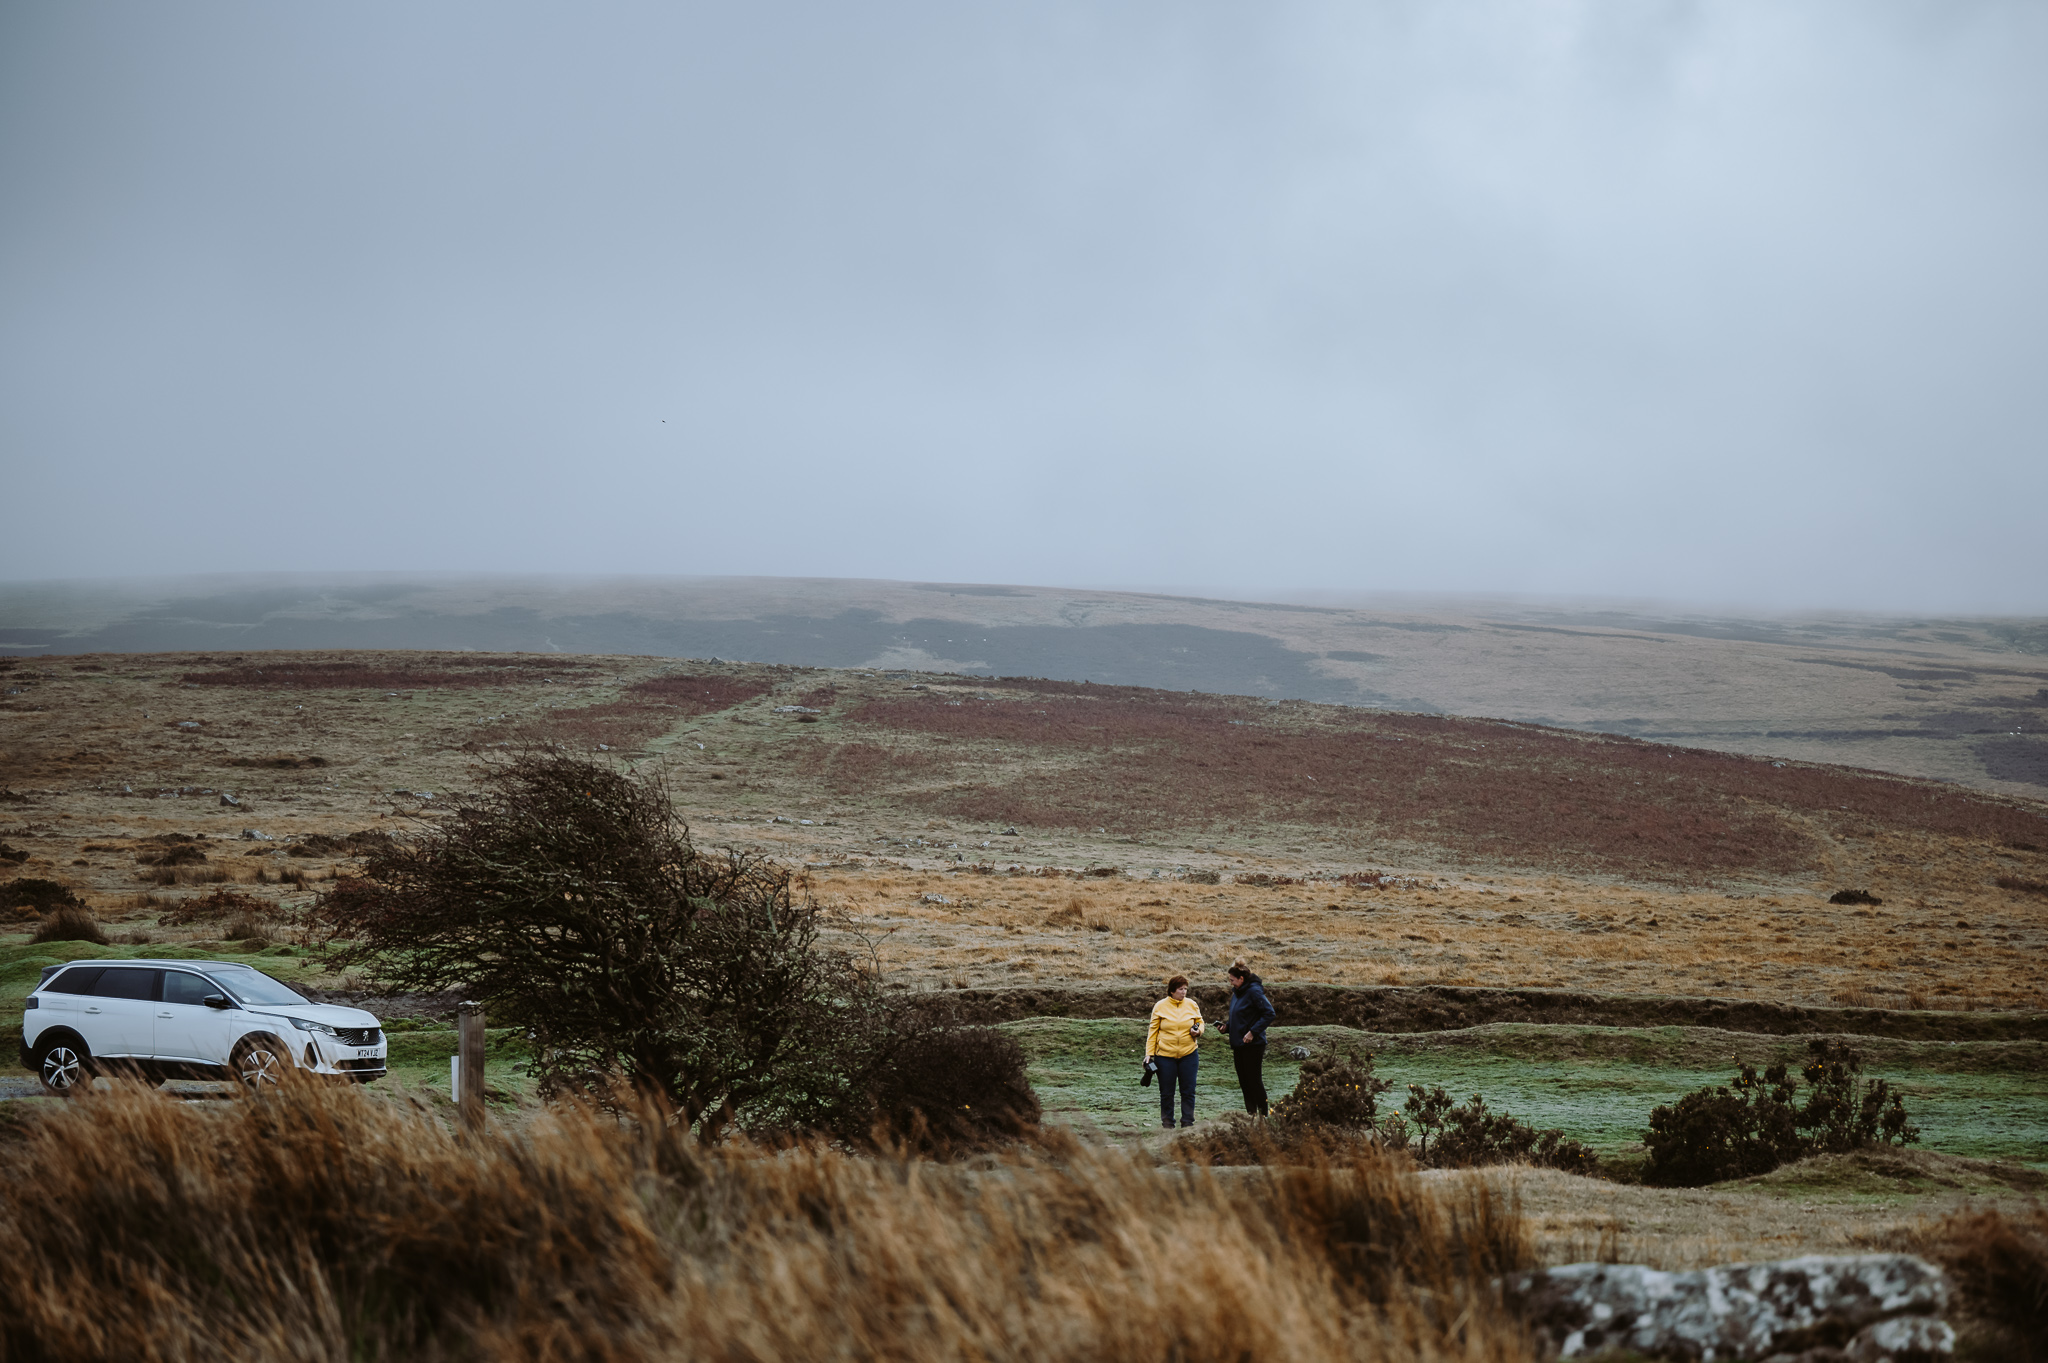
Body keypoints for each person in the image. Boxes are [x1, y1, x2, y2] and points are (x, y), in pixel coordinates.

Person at [1146, 975, 1204, 1129]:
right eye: (1180, 989)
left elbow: (1199, 1021)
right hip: (1164, 1056)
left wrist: (1197, 1031)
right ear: (1172, 991)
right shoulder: (1160, 1006)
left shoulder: (1192, 1004)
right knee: (1166, 1092)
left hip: (1189, 1054)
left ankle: (1187, 1124)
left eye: (1186, 989)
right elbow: (1153, 1032)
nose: (1184, 992)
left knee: (1189, 1091)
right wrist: (1149, 1054)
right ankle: (1168, 1125)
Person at [1224, 958, 1277, 1116]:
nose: (1231, 983)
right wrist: (1227, 1027)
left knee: (1254, 1081)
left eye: (1232, 980)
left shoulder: (1254, 991)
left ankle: (1263, 1114)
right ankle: (1251, 1114)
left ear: (1241, 979)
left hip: (1253, 1044)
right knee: (1244, 1081)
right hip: (1239, 1044)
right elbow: (1240, 1017)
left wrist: (1252, 1032)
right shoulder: (1237, 993)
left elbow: (1269, 1013)